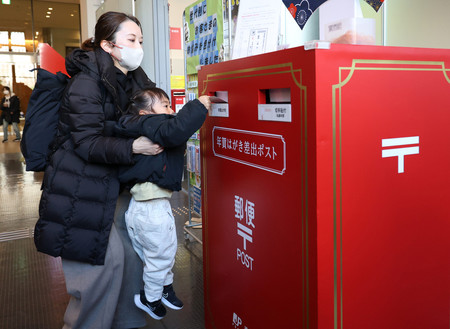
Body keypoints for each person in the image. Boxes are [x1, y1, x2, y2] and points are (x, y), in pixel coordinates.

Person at [33, 11, 164, 329]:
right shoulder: (86, 82)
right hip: (79, 186)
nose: (138, 47)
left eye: (141, 41)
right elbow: (88, 143)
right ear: (107, 45)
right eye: (131, 40)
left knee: (132, 262)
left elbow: (151, 113)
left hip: (113, 183)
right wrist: (135, 146)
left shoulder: (133, 78)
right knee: (103, 265)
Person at [113, 88, 210, 320]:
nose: (170, 110)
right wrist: (198, 105)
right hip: (151, 209)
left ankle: (165, 288)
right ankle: (151, 298)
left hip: (147, 207)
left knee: (160, 253)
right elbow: (175, 131)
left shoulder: (143, 125)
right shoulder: (151, 124)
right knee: (161, 255)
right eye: (165, 105)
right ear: (146, 112)